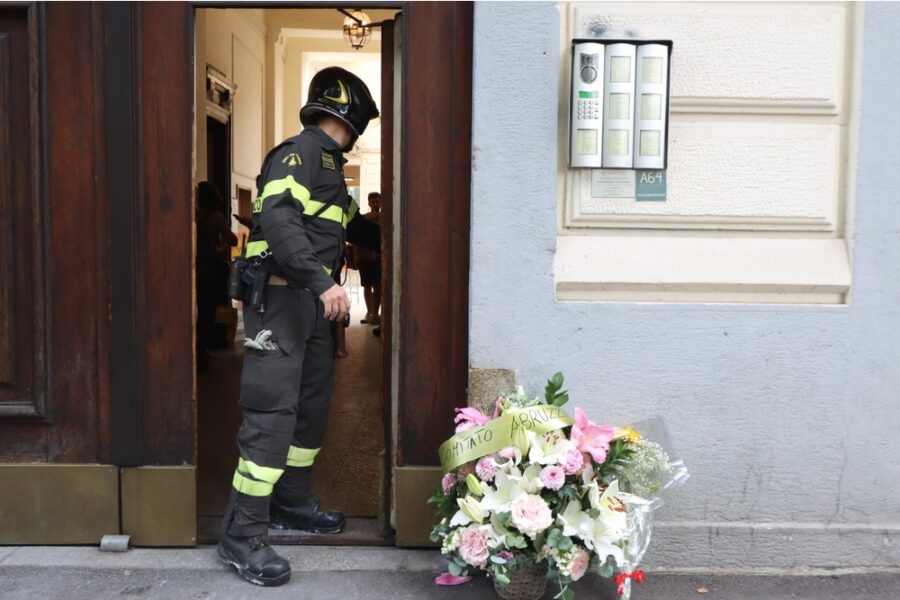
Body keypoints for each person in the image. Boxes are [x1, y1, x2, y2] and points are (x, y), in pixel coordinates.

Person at [217, 67, 380, 587]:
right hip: (282, 300)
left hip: (309, 306)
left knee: (309, 408)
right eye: (362, 123)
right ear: (349, 112)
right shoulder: (298, 153)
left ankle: (290, 501)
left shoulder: (329, 167)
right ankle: (242, 534)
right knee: (271, 414)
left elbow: (351, 225)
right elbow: (282, 221)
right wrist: (325, 283)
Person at [195, 181, 236, 372]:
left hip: (193, 272)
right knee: (207, 314)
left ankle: (198, 351)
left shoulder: (195, 215)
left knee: (196, 314)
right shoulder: (216, 217)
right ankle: (202, 353)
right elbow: (233, 239)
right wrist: (221, 249)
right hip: (210, 273)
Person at [356, 192, 382, 326]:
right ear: (369, 203)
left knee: (378, 285)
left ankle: (376, 314)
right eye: (373, 201)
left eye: (378, 201)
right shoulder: (364, 219)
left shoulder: (386, 219)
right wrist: (356, 254)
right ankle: (369, 312)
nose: (376, 203)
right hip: (364, 257)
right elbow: (358, 239)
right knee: (366, 285)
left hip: (379, 258)